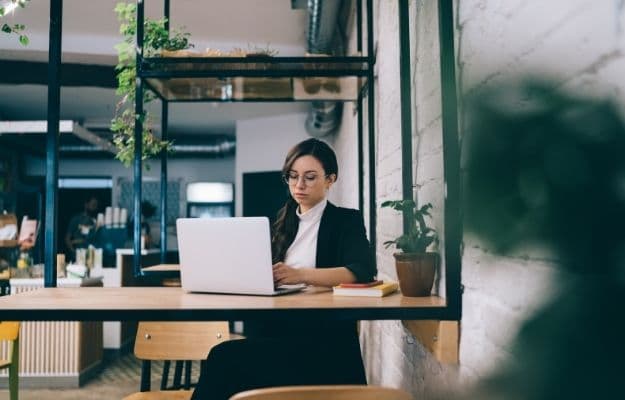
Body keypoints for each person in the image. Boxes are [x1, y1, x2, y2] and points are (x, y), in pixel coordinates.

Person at [191, 138, 376, 400]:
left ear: (330, 180)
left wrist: (300, 275)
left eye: (310, 177)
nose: (299, 185)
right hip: (280, 331)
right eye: (293, 176)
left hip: (324, 341)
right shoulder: (283, 221)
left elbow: (362, 271)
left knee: (224, 360)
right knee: (224, 360)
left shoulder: (345, 221)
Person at [64, 195, 99, 261]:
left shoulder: (97, 220)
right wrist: (73, 251)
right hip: (78, 255)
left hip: (94, 256)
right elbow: (67, 238)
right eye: (93, 205)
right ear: (86, 205)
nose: (95, 208)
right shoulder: (76, 219)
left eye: (96, 205)